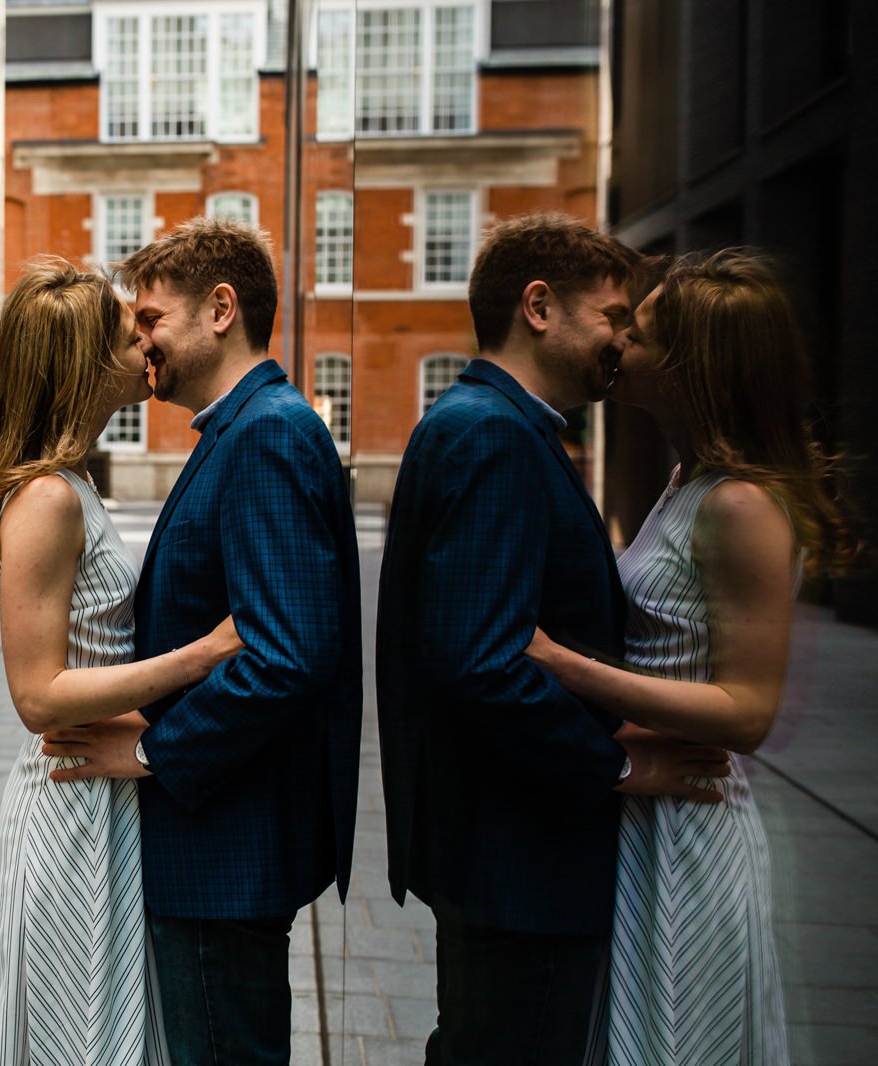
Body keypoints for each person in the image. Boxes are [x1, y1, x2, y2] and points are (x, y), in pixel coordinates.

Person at [375, 214, 734, 1065]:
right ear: (539, 306)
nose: (619, 339)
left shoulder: (498, 424)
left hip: (504, 844)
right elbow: (482, 660)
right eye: (612, 316)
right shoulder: (492, 434)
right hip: (518, 852)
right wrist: (617, 764)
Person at [41, 217, 362, 1063]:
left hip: (225, 844)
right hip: (218, 838)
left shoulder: (266, 434)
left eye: (149, 318)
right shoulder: (238, 428)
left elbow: (288, 653)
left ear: (219, 309)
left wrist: (153, 753)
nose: (139, 340)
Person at [524, 249, 856, 1064]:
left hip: (692, 834)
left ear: (689, 364)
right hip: (650, 808)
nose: (617, 339)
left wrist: (558, 663)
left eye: (636, 330)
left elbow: (746, 711)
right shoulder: (690, 482)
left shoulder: (740, 505)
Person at [0, 258, 243, 1064]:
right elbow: (38, 695)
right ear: (78, 364)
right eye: (124, 332)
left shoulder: (67, 482)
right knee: (78, 1037)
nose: (144, 339)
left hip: (98, 795)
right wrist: (202, 656)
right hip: (72, 805)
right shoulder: (46, 498)